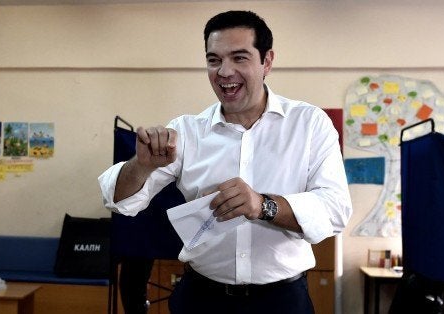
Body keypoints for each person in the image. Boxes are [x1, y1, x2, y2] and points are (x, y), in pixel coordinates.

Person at [98, 10, 352, 314]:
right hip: (201, 296)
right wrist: (141, 166)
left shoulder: (309, 124)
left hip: (282, 300)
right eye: (214, 60)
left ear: (267, 61)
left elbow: (335, 208)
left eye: (240, 58)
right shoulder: (187, 131)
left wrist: (263, 205)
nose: (224, 71)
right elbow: (118, 200)